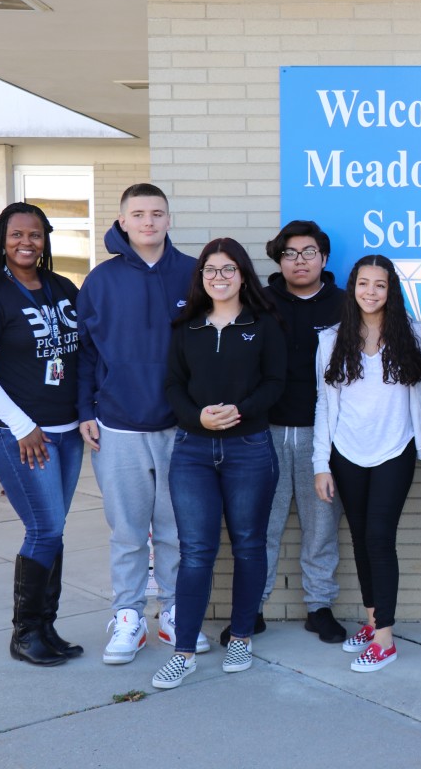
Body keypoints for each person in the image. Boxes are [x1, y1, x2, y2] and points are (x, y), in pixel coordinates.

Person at [76, 183, 209, 665]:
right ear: (123, 221)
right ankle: (128, 618)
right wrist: (84, 410)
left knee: (177, 530)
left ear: (169, 220)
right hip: (119, 424)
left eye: (157, 213)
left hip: (182, 427)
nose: (149, 221)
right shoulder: (102, 280)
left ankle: (176, 615)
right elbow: (85, 353)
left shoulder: (194, 274)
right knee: (129, 531)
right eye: (139, 214)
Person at [151, 239, 286, 689]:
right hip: (192, 451)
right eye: (211, 270)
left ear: (243, 275)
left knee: (249, 545)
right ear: (201, 278)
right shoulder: (186, 327)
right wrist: (198, 416)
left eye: (229, 269)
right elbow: (172, 386)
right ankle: (184, 651)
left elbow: (275, 382)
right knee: (196, 553)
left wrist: (240, 412)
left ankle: (241, 637)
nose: (220, 277)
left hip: (249, 448)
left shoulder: (263, 323)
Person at [0, 202, 83, 667]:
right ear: (1, 240)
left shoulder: (63, 288)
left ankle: (46, 629)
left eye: (35, 234)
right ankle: (24, 633)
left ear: (46, 239)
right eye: (16, 235)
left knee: (54, 531)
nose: (26, 242)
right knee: (43, 528)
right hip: (19, 434)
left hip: (66, 430)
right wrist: (22, 424)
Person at [313, 254, 421, 672]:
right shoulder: (331, 339)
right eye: (363, 283)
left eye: (379, 285)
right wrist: (320, 463)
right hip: (346, 452)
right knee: (362, 538)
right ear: (353, 287)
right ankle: (372, 619)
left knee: (380, 538)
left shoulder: (412, 335)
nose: (370, 292)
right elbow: (324, 407)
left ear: (391, 290)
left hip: (394, 450)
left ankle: (384, 639)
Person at [237, 221, 345, 646]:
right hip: (266, 430)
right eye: (290, 253)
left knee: (321, 527)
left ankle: (319, 607)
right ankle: (253, 608)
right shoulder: (259, 303)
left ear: (324, 257)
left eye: (309, 252)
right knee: (263, 524)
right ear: (277, 259)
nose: (299, 261)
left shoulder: (343, 304)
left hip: (325, 436)